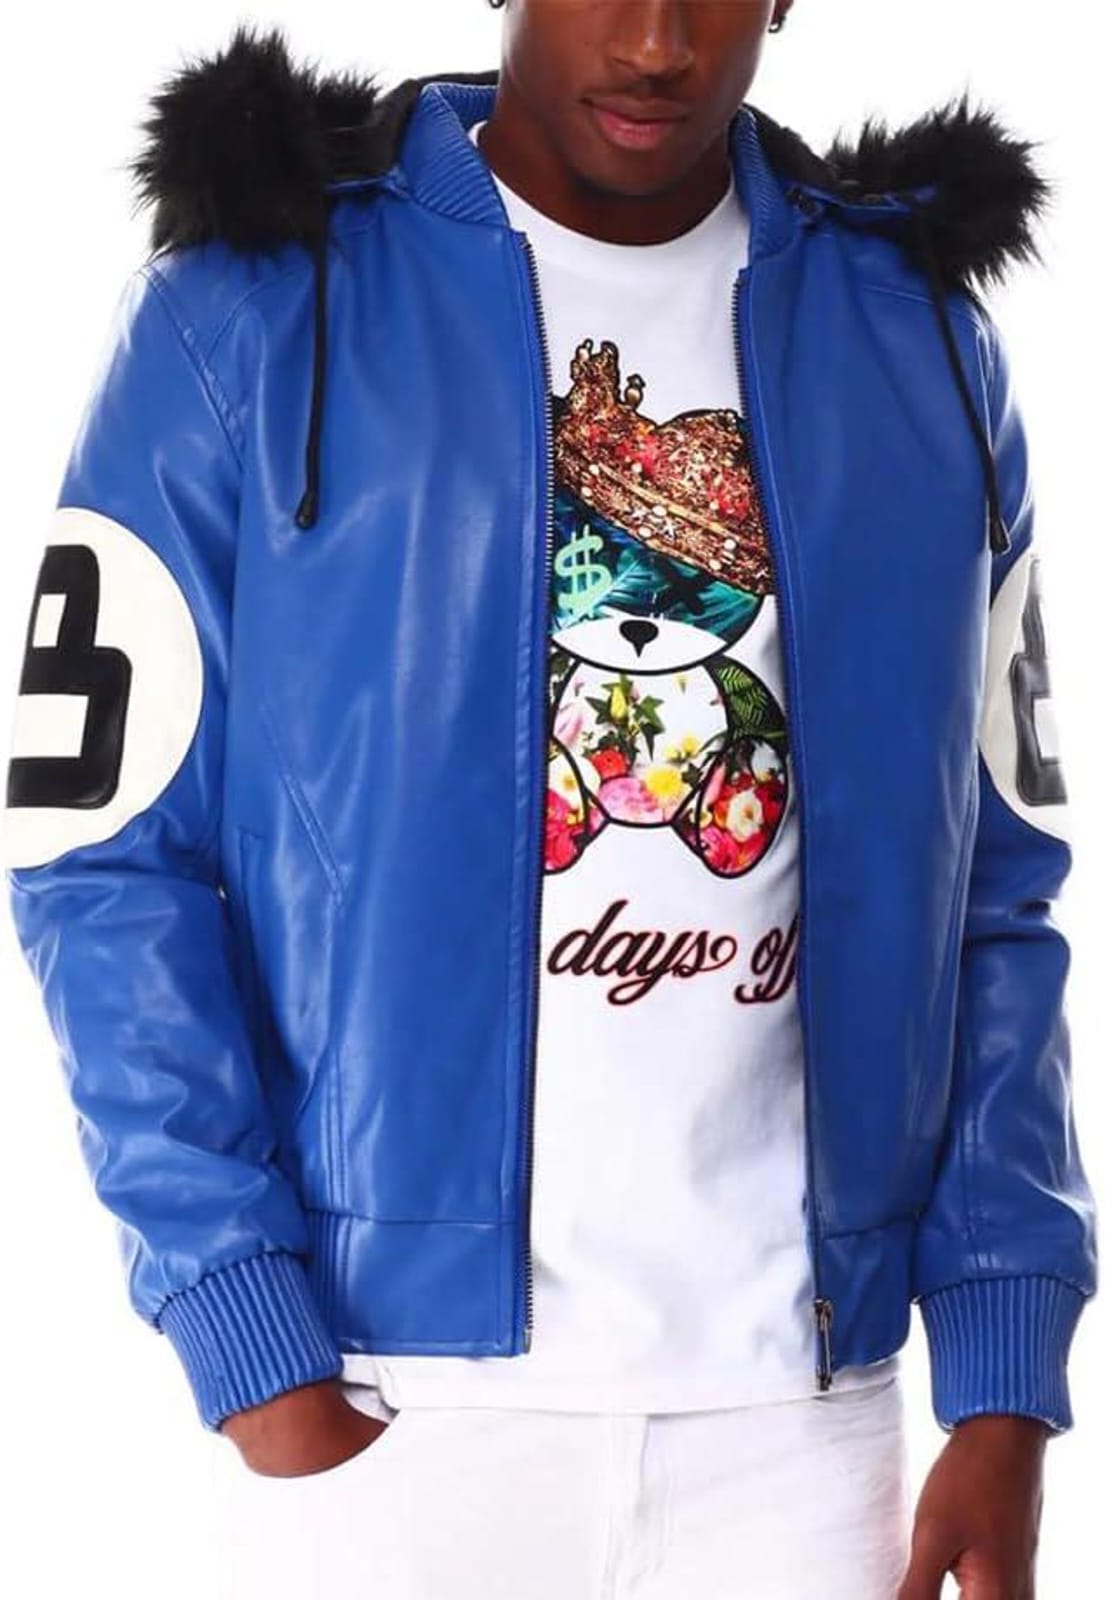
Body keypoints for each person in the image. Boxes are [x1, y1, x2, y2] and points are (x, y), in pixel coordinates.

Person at [2, 4, 1097, 1597]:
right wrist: (244, 1322)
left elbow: (992, 886)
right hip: (389, 1403)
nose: (654, 42)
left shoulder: (916, 333)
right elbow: (100, 858)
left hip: (802, 1423)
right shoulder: (252, 304)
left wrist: (1002, 1379)